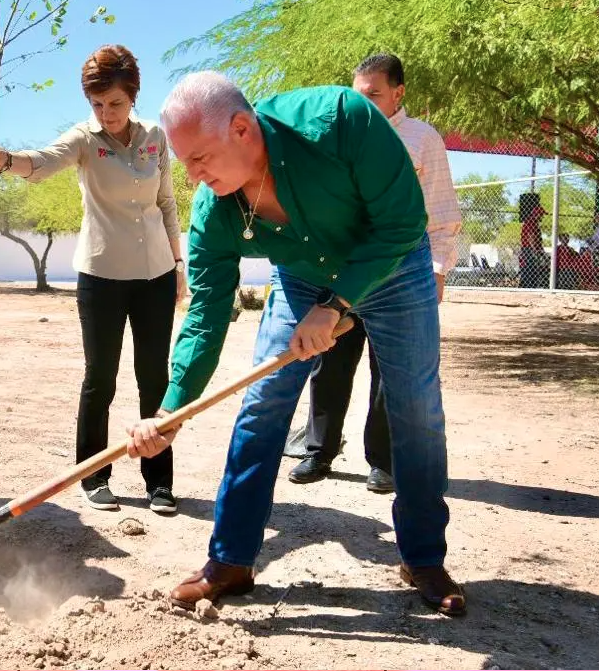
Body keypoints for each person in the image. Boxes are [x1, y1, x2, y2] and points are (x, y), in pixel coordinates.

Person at [126, 72, 466, 616]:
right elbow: (207, 313)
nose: (192, 177)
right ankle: (231, 560)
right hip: (302, 276)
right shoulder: (214, 207)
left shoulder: (339, 118)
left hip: (392, 265)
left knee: (416, 406)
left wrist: (336, 306)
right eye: (184, 162)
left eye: (199, 159)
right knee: (263, 404)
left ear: (241, 128)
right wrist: (173, 408)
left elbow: (404, 221)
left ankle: (423, 557)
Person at [0, 45, 186, 514]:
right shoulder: (85, 140)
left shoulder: (155, 136)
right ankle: (94, 476)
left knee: (155, 378)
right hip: (102, 278)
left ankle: (160, 482)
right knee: (101, 379)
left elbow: (167, 203)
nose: (106, 113)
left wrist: (178, 265)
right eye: (96, 104)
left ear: (132, 95)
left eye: (114, 103)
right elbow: (43, 161)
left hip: (155, 274)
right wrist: (5, 161)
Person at [283, 53, 462, 493]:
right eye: (356, 95)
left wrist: (436, 269)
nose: (361, 105)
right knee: (328, 362)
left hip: (399, 276)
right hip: (342, 273)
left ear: (399, 93)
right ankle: (318, 451)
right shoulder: (340, 136)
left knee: (389, 371)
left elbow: (440, 210)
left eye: (374, 95)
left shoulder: (422, 139)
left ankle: (382, 461)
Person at [518, 192, 547, 288]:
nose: (542, 217)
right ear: (537, 214)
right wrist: (535, 250)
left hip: (530, 249)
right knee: (530, 270)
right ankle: (527, 287)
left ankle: (529, 286)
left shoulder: (533, 222)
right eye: (541, 215)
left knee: (532, 270)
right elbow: (531, 237)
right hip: (529, 249)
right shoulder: (531, 222)